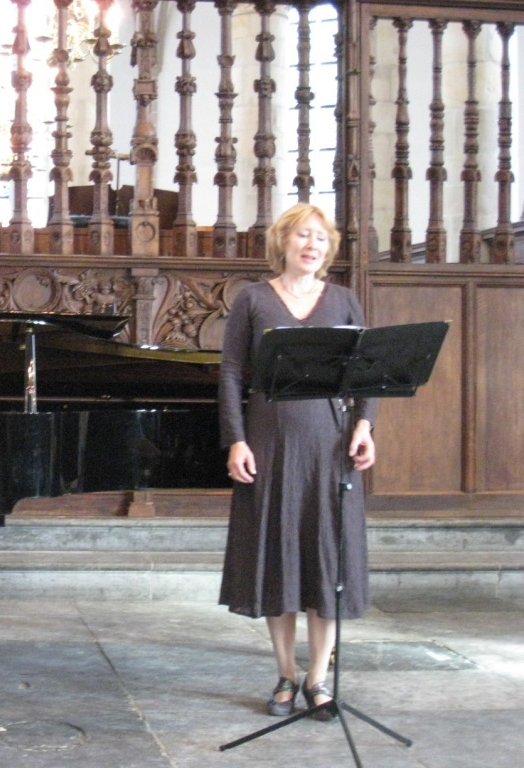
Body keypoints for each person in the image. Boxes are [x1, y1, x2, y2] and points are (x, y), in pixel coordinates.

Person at [217, 203, 377, 721]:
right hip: (269, 442)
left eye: (321, 238)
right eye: (303, 236)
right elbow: (231, 373)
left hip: (331, 446)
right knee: (280, 558)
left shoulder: (344, 299)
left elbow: (366, 374)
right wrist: (236, 440)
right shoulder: (253, 298)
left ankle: (318, 679)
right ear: (283, 242)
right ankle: (286, 673)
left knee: (327, 561)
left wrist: (365, 426)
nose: (312, 245)